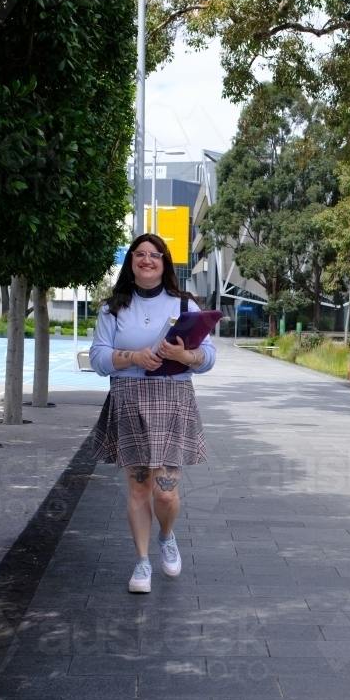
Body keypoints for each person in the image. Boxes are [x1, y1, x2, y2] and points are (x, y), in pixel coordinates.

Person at [89, 233, 215, 593]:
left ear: (165, 262)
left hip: (173, 400)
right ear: (131, 261)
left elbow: (208, 358)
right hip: (129, 399)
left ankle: (167, 535)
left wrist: (185, 357)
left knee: (165, 493)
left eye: (154, 255)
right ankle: (142, 563)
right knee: (140, 489)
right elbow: (98, 358)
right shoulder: (113, 307)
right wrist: (134, 357)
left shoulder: (185, 304)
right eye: (140, 254)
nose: (147, 260)